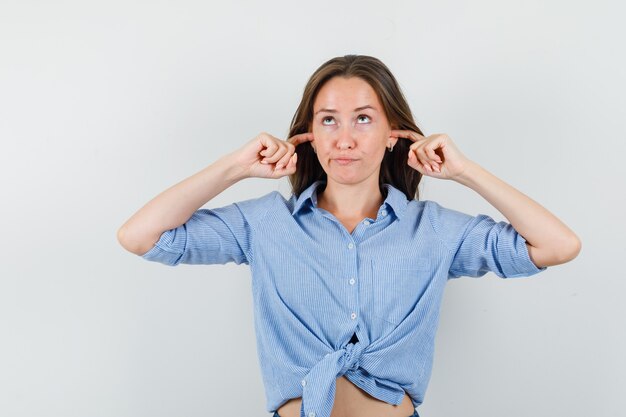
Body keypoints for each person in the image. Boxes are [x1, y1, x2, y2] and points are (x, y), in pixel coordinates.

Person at [117, 54, 581, 417]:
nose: (345, 139)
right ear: (310, 136)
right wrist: (236, 167)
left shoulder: (435, 230)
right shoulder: (263, 224)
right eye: (328, 120)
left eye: (363, 118)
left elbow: (559, 246)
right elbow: (140, 236)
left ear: (391, 134)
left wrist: (466, 172)